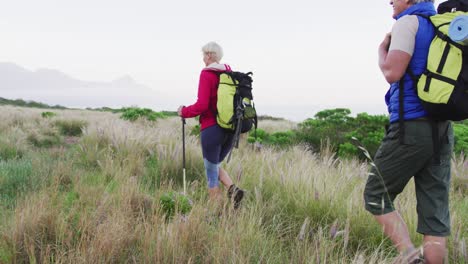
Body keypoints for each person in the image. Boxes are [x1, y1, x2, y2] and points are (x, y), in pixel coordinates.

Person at [363, 1, 454, 263]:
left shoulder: (407, 22)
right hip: (442, 128)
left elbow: (393, 72)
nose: (390, 1)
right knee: (434, 213)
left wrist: (382, 51)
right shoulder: (441, 27)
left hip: (411, 126)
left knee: (375, 194)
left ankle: (410, 256)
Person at [178, 41, 245, 209]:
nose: (203, 60)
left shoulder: (207, 74)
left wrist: (183, 111)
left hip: (211, 129)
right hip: (230, 130)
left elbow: (201, 105)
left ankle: (217, 213)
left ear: (209, 55)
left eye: (204, 56)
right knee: (214, 165)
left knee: (211, 172)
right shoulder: (229, 74)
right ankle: (233, 189)